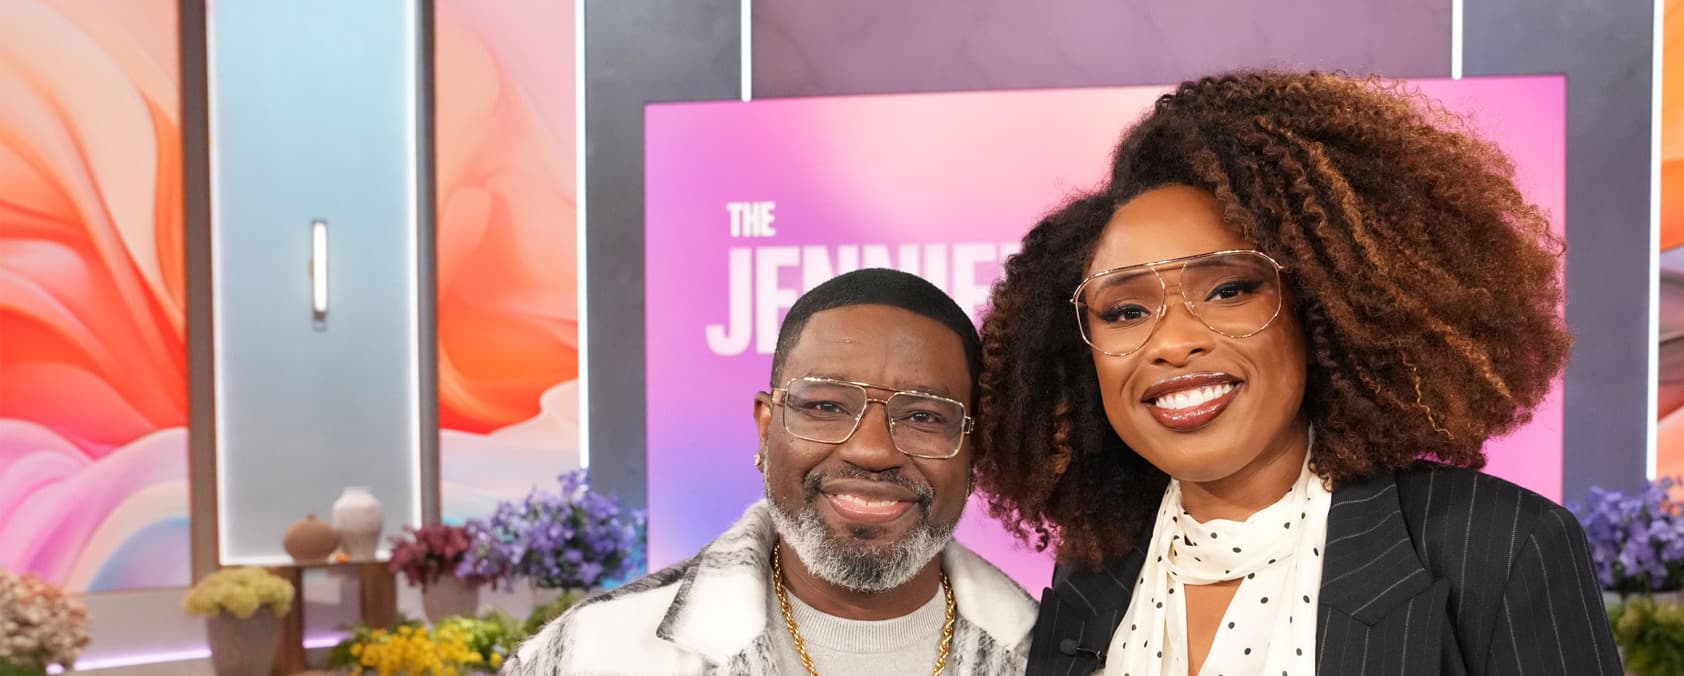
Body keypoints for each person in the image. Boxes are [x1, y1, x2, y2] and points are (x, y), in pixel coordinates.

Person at [973, 71, 1621, 675]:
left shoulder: (1497, 547)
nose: (1171, 342)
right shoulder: (1092, 578)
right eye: (1126, 311)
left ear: (1323, 303)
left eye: (1229, 290)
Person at [507, 268, 1037, 675]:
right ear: (766, 429)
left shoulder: (1052, 657)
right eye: (826, 407)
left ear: (974, 450)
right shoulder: (597, 651)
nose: (872, 450)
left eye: (923, 417)